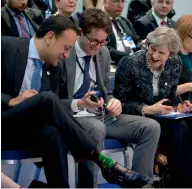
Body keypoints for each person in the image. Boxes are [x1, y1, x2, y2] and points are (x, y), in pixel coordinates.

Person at [1, 16, 149, 188]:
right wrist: (11, 100)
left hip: (27, 130)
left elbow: (54, 107)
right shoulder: (6, 47)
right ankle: (100, 159)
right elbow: (48, 101)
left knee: (53, 133)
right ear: (49, 37)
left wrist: (79, 104)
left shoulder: (54, 68)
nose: (66, 55)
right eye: (66, 48)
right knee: (46, 97)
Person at [61, 8, 161, 188]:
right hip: (73, 116)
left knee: (150, 127)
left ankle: (141, 185)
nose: (98, 46)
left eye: (103, 41)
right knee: (96, 128)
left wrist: (113, 101)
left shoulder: (104, 53)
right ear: (81, 33)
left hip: (100, 113)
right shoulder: (65, 53)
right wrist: (79, 104)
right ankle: (87, 186)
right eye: (94, 41)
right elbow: (54, 98)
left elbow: (107, 90)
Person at [114, 26, 191, 187]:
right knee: (175, 129)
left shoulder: (175, 62)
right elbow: (120, 102)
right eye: (152, 49)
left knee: (182, 125)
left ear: (171, 53)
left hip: (161, 114)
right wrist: (147, 109)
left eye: (161, 53)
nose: (155, 55)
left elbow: (169, 94)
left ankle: (180, 183)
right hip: (137, 115)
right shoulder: (130, 63)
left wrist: (179, 105)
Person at [176, 14, 192, 187]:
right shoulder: (173, 58)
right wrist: (188, 86)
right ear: (182, 34)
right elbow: (165, 90)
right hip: (183, 108)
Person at [103, 0, 141, 65]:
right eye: (116, 1)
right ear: (105, 2)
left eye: (123, 1)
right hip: (111, 64)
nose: (120, 5)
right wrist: (130, 56)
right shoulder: (98, 22)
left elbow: (136, 41)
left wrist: (143, 44)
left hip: (132, 63)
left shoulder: (125, 21)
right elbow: (104, 48)